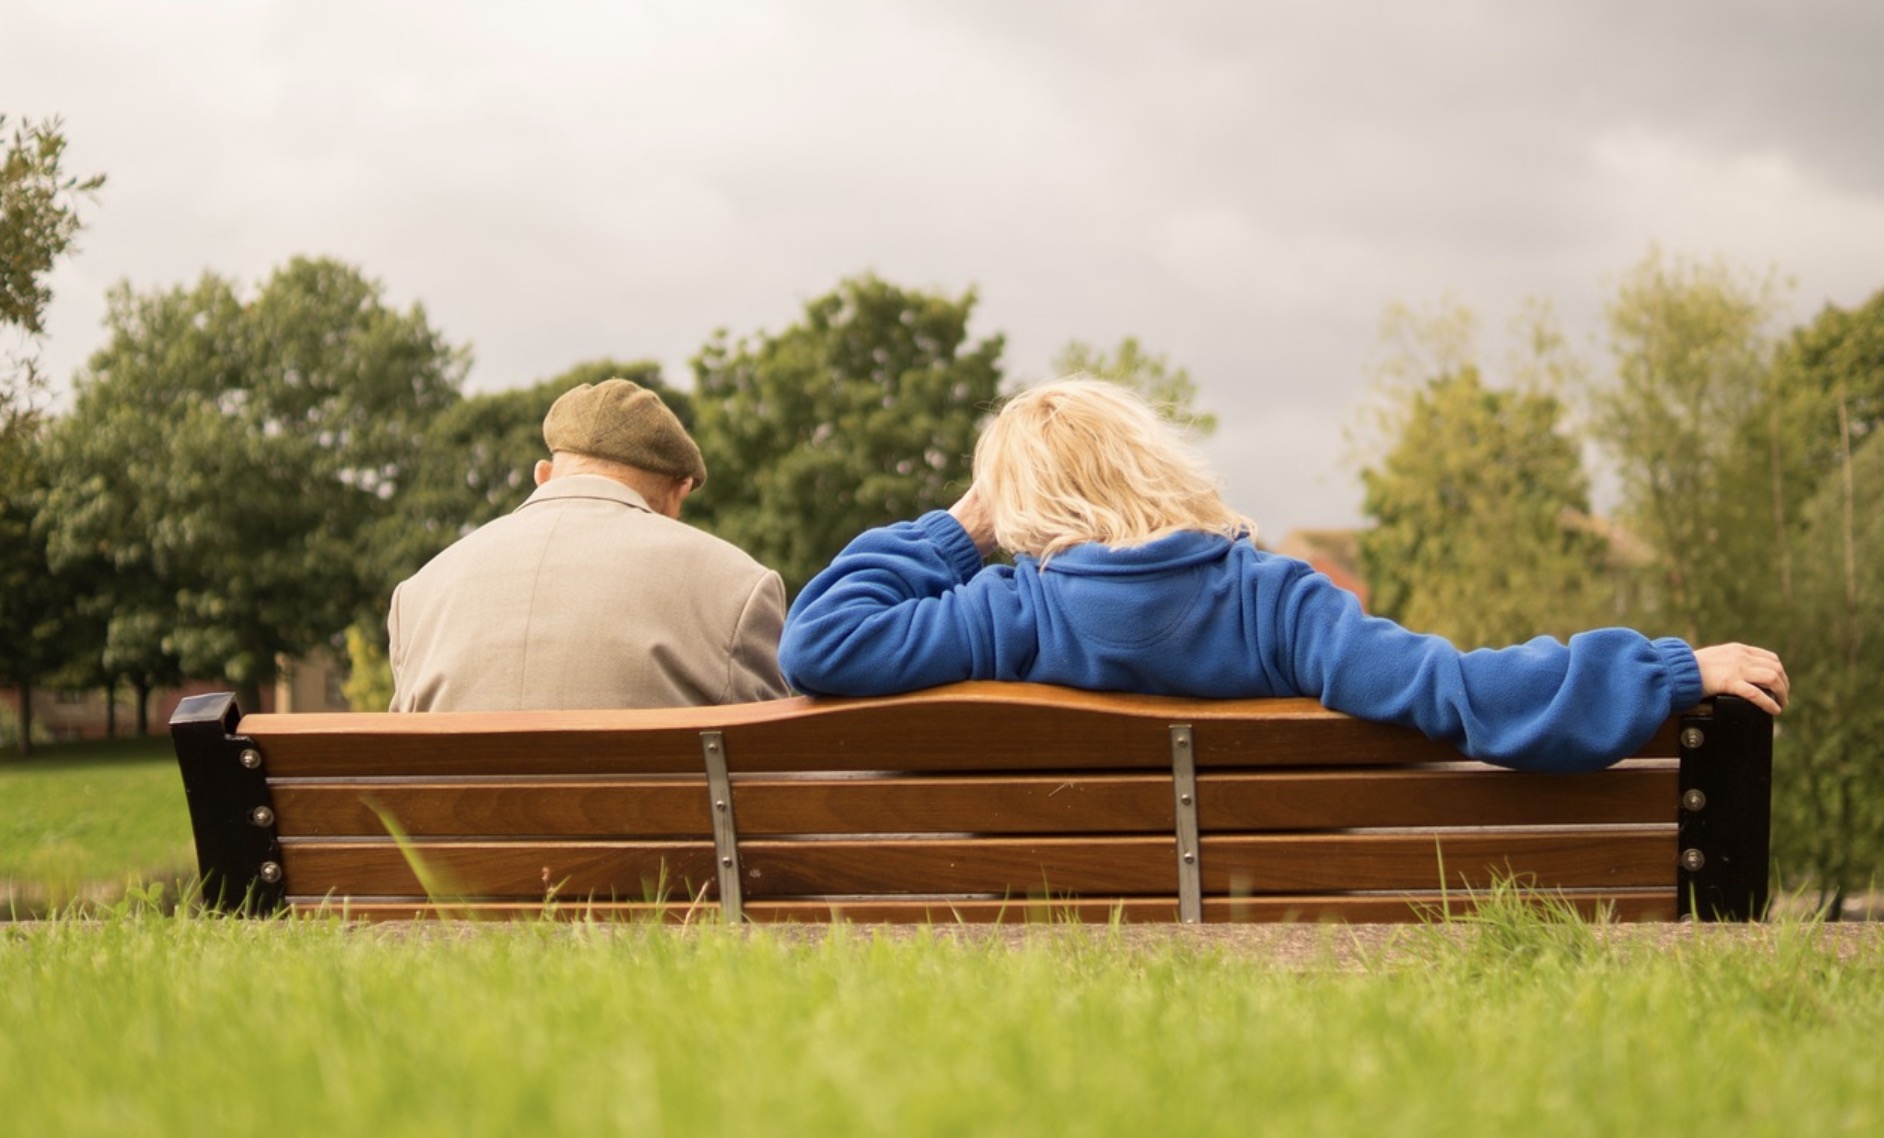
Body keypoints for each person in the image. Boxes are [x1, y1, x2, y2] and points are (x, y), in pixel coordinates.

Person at [778, 377, 1788, 773]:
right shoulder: (1277, 600)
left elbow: (819, 641)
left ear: (1021, 508)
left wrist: (961, 530)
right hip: (1271, 907)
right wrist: (1662, 671)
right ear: (1156, 465)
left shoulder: (1006, 611)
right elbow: (1456, 690)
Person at [389, 378, 789, 711]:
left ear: (543, 474)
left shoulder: (417, 595)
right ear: (679, 489)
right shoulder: (738, 586)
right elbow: (773, 770)